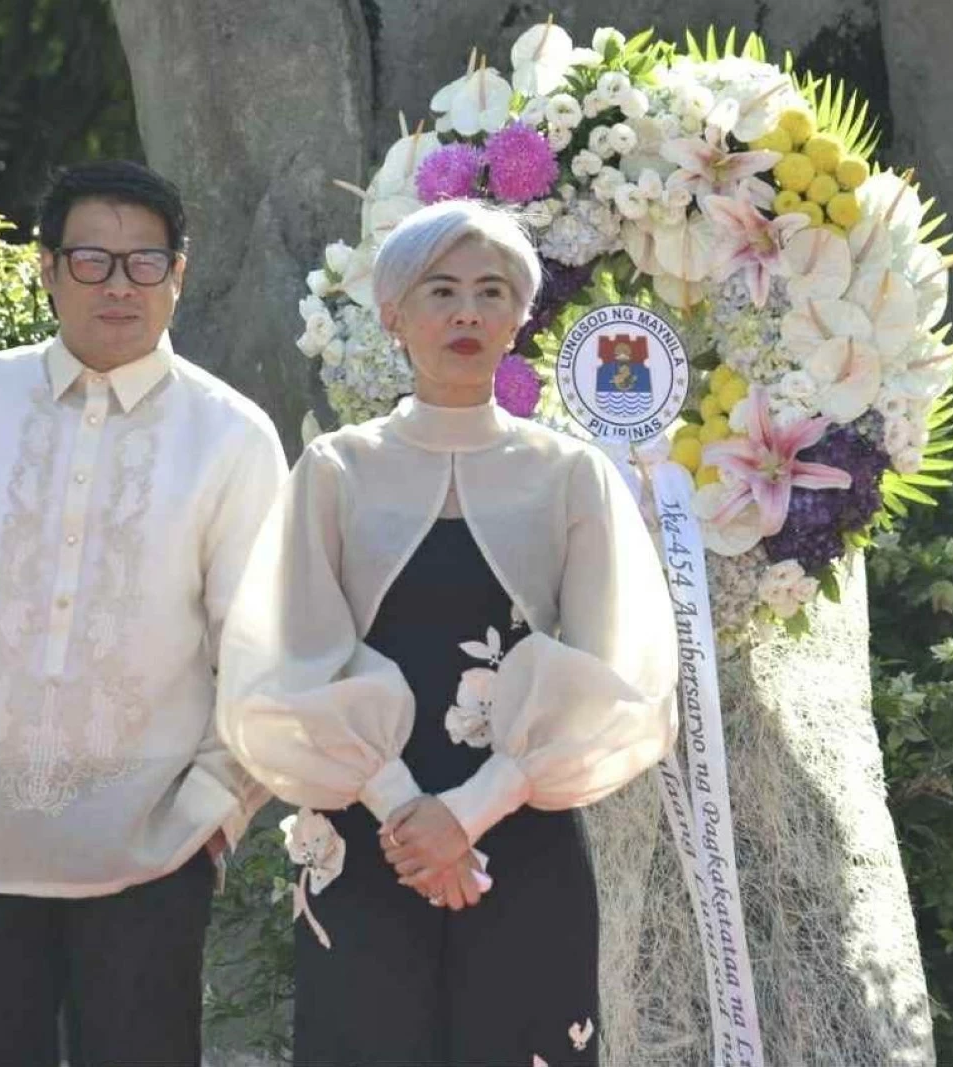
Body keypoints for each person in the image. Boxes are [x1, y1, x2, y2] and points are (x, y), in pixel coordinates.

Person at [0, 159, 286, 1066]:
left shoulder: (232, 436)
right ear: (45, 268)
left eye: (145, 262)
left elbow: (262, 648)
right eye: (91, 260)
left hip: (153, 849)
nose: (119, 284)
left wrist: (214, 813)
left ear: (179, 273)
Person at [216, 199, 679, 1066]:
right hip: (365, 834)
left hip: (524, 829)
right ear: (394, 314)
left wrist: (468, 813)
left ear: (520, 315)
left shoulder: (571, 475)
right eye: (441, 290)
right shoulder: (336, 469)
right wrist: (408, 815)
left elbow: (615, 677)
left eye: (490, 291)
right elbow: (292, 659)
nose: (467, 312)